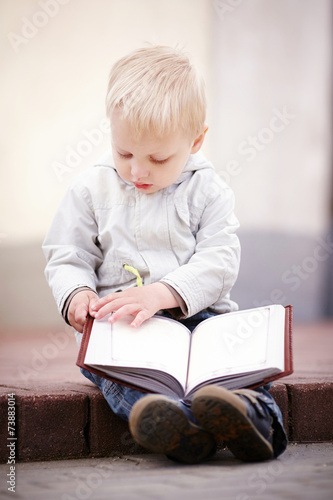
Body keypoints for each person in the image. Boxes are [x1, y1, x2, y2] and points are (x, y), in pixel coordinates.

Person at [43, 45, 287, 464]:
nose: (138, 171)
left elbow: (220, 259)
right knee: (125, 378)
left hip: (203, 318)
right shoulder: (89, 189)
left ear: (196, 141)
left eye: (158, 158)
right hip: (124, 325)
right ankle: (181, 428)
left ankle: (254, 418)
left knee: (231, 366)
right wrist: (76, 294)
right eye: (124, 153)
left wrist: (163, 293)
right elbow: (67, 253)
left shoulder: (208, 191)